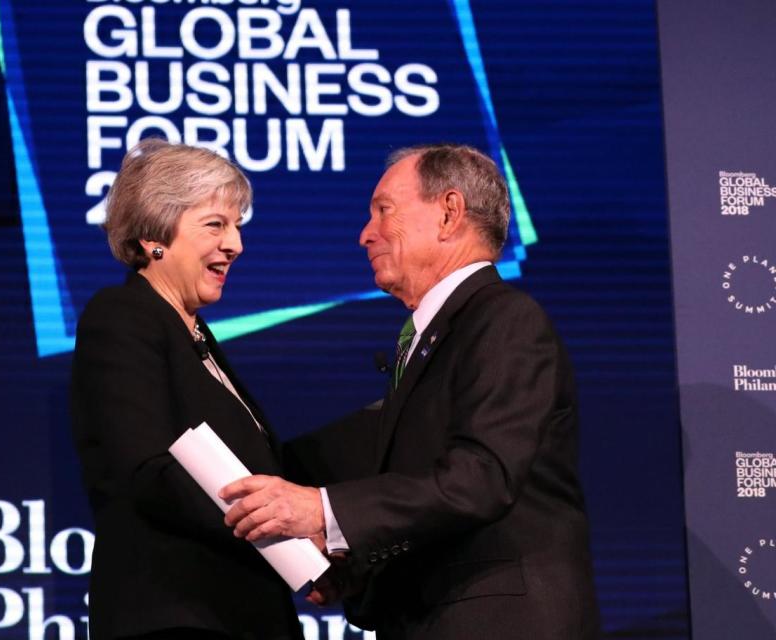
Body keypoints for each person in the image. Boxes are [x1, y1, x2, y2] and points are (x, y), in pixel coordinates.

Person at [220, 144, 600, 639]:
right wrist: (353, 570)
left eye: (384, 211)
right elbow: (430, 505)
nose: (365, 235)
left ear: (448, 213)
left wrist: (323, 510)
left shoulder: (506, 321)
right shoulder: (435, 337)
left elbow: (481, 479)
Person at [71, 139, 304, 640]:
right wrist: (282, 534)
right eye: (216, 224)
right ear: (156, 235)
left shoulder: (194, 334)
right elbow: (148, 472)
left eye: (237, 225)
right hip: (175, 615)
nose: (235, 244)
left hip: (237, 613)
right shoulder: (122, 317)